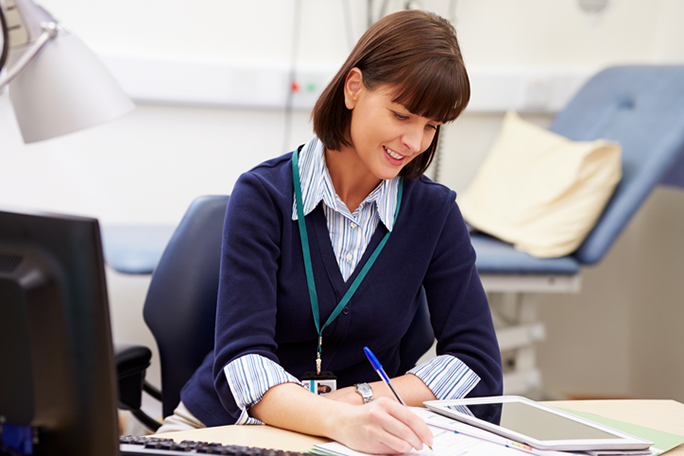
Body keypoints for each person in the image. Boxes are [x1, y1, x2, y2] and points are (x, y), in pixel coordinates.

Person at [159, 9, 503, 454]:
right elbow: (244, 362)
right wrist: (337, 417)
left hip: (357, 439)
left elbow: (476, 365)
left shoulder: (433, 212)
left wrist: (359, 402)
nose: (415, 143)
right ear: (354, 88)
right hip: (227, 426)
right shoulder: (263, 195)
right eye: (402, 115)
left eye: (431, 126)